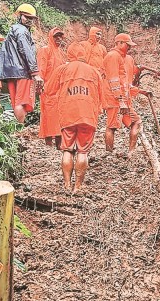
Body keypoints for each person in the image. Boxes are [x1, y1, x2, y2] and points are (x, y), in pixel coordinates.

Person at [44, 43, 104, 194]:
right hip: (88, 116)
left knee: (67, 150)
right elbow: (102, 97)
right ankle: (78, 187)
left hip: (68, 115)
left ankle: (66, 184)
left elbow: (49, 90)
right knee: (83, 152)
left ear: (69, 54)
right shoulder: (94, 71)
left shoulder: (62, 69)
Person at [0, 3, 43, 123]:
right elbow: (26, 52)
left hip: (11, 73)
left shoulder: (12, 30)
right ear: (20, 16)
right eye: (26, 17)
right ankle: (21, 128)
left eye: (31, 18)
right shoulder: (22, 31)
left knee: (15, 102)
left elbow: (1, 51)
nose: (29, 20)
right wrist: (35, 73)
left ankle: (18, 128)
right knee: (21, 102)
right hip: (23, 72)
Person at [103, 33, 141, 156]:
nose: (129, 47)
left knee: (136, 121)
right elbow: (113, 80)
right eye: (127, 44)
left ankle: (131, 152)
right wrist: (120, 101)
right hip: (115, 99)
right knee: (112, 126)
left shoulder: (126, 58)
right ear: (118, 43)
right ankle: (109, 154)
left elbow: (126, 82)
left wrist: (139, 91)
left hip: (123, 100)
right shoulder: (112, 56)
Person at [37, 27, 67, 147]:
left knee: (59, 117)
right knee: (48, 116)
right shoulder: (45, 50)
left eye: (60, 36)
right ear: (51, 37)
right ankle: (48, 144)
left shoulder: (60, 52)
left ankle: (59, 144)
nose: (59, 39)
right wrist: (40, 86)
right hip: (48, 89)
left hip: (59, 90)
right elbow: (41, 69)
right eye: (56, 36)